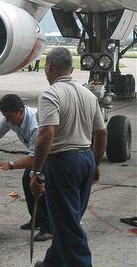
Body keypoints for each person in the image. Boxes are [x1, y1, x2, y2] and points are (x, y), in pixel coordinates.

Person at [30, 47, 107, 267]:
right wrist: (97, 163)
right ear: (71, 69)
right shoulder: (88, 95)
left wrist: (36, 172)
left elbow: (46, 133)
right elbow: (101, 132)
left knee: (68, 226)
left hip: (63, 163)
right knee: (68, 220)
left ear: (49, 66)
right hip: (85, 159)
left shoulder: (51, 94)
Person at [0, 94, 52, 241]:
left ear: (21, 111)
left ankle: (49, 227)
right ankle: (37, 219)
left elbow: (34, 158)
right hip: (38, 154)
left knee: (39, 184)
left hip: (51, 156)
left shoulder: (34, 124)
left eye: (10, 117)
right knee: (27, 180)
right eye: (5, 117)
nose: (7, 120)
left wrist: (10, 165)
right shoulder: (10, 119)